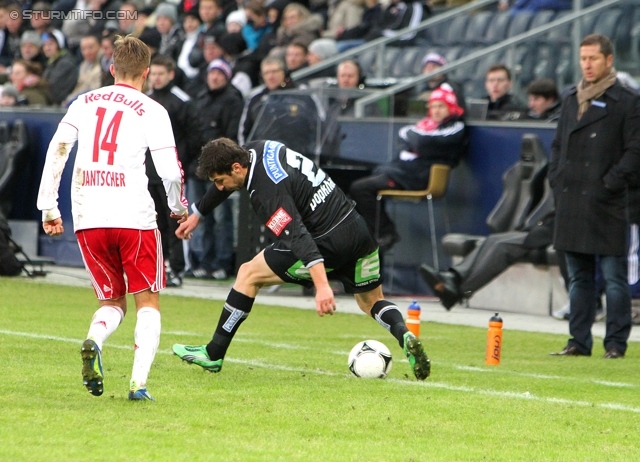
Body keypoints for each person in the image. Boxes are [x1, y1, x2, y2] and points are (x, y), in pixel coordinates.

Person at [171, 137, 431, 381]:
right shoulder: (258, 148)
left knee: (248, 274)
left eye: (219, 180)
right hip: (356, 229)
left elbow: (298, 237)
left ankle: (213, 353)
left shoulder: (267, 194)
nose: (218, 187)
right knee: (372, 301)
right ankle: (404, 334)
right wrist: (197, 214)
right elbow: (227, 184)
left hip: (324, 241)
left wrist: (322, 287)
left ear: (237, 168)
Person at [36, 35, 189, 400]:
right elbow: (169, 171)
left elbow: (57, 150)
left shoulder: (83, 102)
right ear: (147, 73)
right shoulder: (153, 109)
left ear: (111, 69)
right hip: (133, 216)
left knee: (111, 301)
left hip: (89, 215)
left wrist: (49, 206)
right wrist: (178, 207)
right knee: (147, 301)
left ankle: (95, 339)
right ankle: (138, 384)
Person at [548, 34, 640, 359]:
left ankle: (615, 343)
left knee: (615, 278)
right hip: (572, 198)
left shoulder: (628, 101)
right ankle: (578, 341)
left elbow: (635, 151)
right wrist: (557, 178)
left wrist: (609, 183)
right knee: (578, 278)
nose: (587, 65)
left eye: (593, 59)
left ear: (609, 60)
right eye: (583, 59)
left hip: (609, 202)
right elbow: (558, 143)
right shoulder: (572, 98)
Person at [349, 85, 467, 252]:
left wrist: (416, 140)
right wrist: (417, 140)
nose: (436, 110)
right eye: (433, 106)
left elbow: (418, 140)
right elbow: (403, 138)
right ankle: (372, 235)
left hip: (416, 178)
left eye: (441, 106)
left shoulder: (455, 127)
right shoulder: (425, 125)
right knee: (355, 181)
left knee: (361, 188)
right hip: (403, 172)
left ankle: (385, 233)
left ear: (451, 107)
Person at [419, 209, 555, 310]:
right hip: (541, 228)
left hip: (551, 233)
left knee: (501, 246)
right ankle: (454, 276)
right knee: (491, 240)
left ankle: (458, 291)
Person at [147, 54, 202, 287]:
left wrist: (184, 167)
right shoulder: (145, 100)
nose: (156, 78)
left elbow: (193, 137)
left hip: (172, 172)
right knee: (153, 222)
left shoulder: (182, 102)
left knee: (176, 221)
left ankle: (178, 268)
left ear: (170, 75)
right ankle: (158, 266)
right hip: (149, 171)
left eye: (160, 74)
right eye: (153, 73)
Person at [186, 58, 244, 280]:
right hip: (198, 168)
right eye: (212, 73)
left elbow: (231, 136)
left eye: (220, 73)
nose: (215, 77)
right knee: (201, 216)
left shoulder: (232, 100)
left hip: (221, 168)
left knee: (221, 217)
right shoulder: (199, 99)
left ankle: (222, 262)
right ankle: (204, 261)